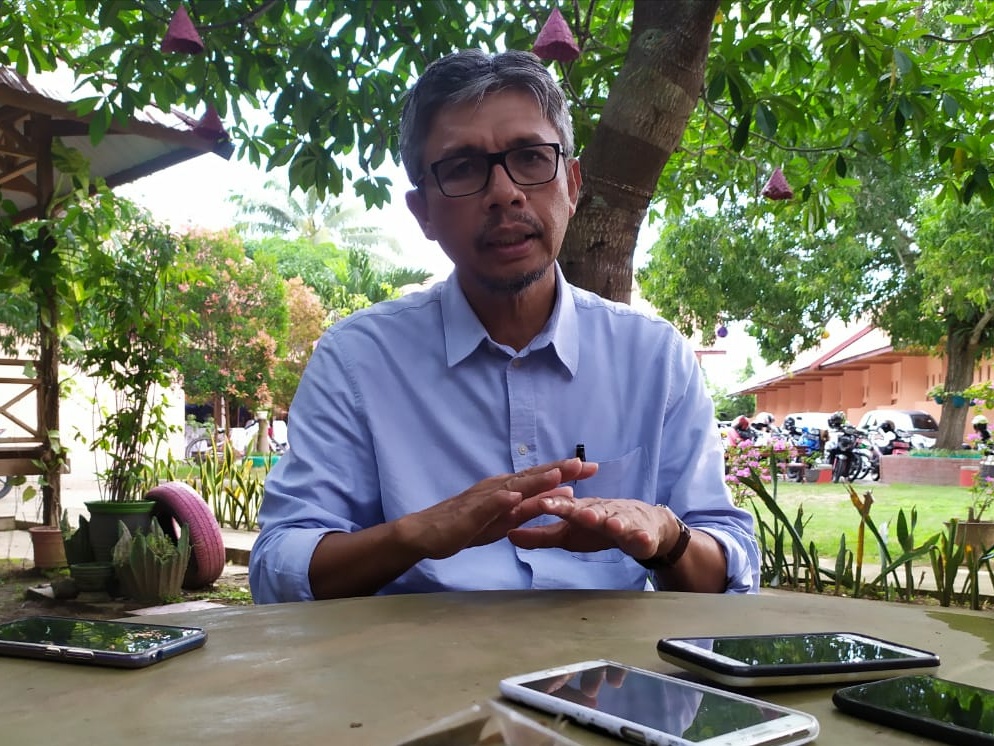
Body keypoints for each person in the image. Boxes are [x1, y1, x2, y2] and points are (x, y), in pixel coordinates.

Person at [248, 49, 759, 603]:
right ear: (422, 212)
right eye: (462, 168)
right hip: (417, 657)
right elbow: (279, 566)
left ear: (572, 185)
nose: (504, 192)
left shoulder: (655, 358)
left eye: (531, 158)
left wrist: (666, 536)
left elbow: (729, 571)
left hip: (611, 656)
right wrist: (413, 536)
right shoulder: (357, 360)